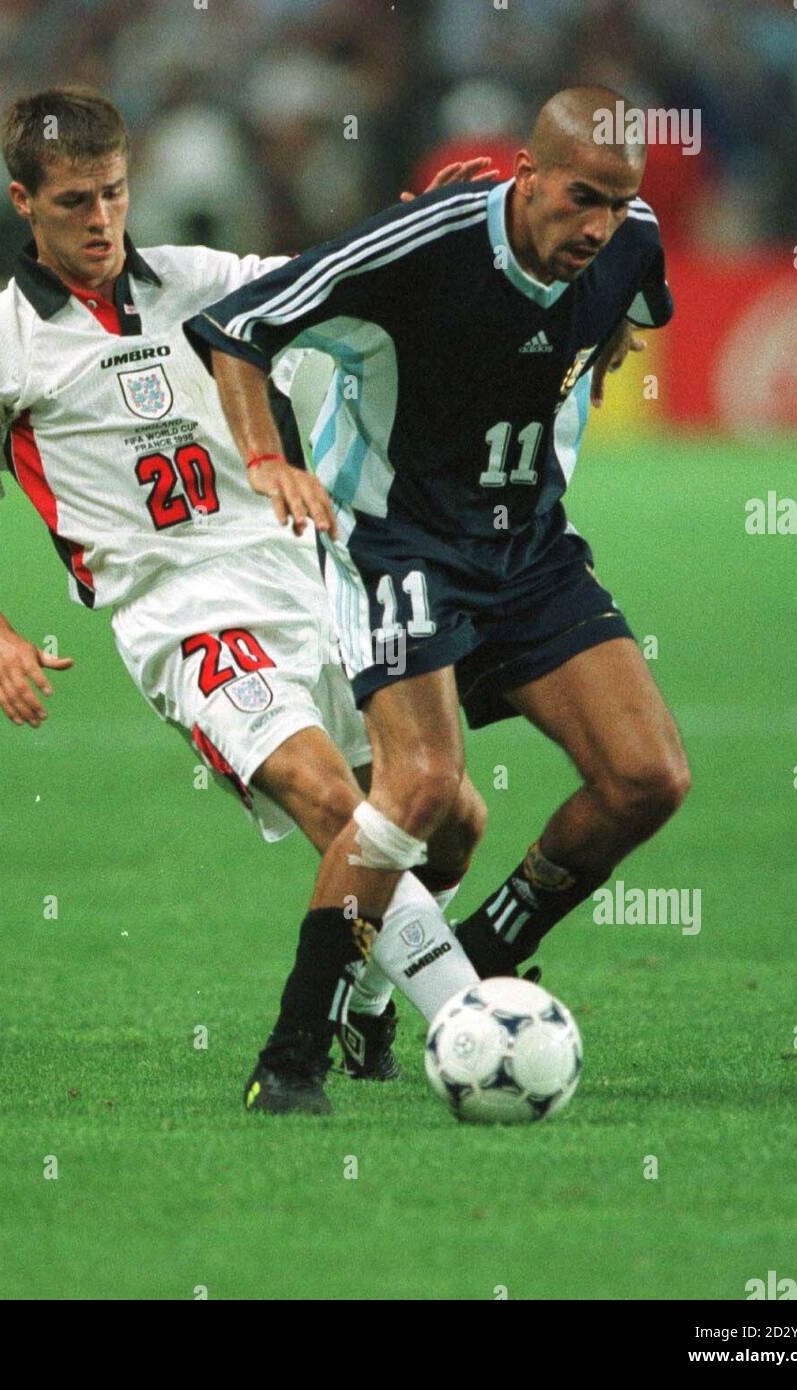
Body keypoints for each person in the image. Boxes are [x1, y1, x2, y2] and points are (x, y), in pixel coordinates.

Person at [0, 85, 493, 1117]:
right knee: (337, 806)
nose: (101, 221)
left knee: (446, 815)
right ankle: (473, 1021)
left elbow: (329, 284)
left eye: (115, 194)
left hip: (309, 582)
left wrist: (416, 225)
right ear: (21, 201)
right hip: (183, 618)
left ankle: (370, 999)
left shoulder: (203, 281)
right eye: (75, 202)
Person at [185, 84, 691, 1098]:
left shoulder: (628, 240)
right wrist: (265, 456)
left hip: (534, 551)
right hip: (400, 544)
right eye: (577, 198)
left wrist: (596, 346)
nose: (596, 224)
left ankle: (483, 953)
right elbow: (236, 328)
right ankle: (291, 1054)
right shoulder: (419, 249)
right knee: (420, 787)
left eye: (616, 200)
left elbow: (636, 306)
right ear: (526, 173)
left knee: (647, 776)